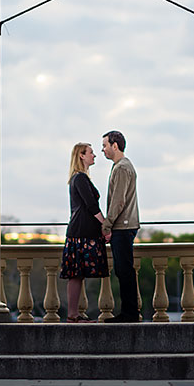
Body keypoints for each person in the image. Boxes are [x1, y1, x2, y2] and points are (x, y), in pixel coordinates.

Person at [59, 141, 109, 321]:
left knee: (77, 274)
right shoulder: (80, 178)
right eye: (91, 152)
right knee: (76, 274)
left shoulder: (79, 178)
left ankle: (74, 314)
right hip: (81, 233)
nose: (94, 155)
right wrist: (105, 226)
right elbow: (91, 205)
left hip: (80, 232)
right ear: (81, 155)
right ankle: (72, 314)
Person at [101, 130, 141, 322]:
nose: (103, 150)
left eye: (105, 146)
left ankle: (130, 314)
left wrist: (107, 226)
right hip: (124, 226)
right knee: (123, 270)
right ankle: (129, 312)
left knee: (124, 270)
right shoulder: (121, 166)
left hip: (122, 227)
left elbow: (118, 201)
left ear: (114, 145)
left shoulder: (122, 168)